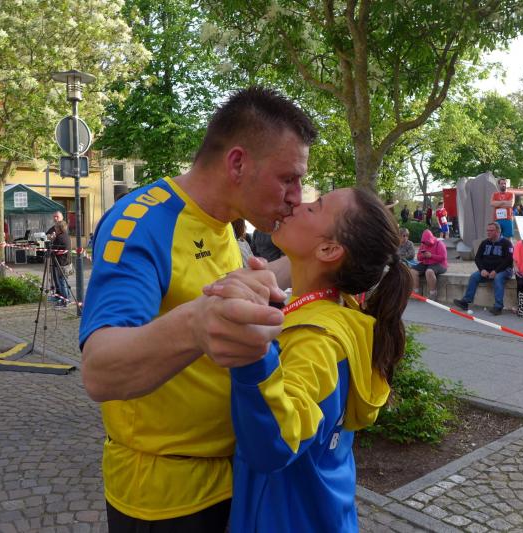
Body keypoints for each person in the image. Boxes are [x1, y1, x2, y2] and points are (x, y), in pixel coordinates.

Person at [79, 87, 317, 531]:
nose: (296, 197)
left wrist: (319, 261)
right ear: (238, 163)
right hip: (166, 499)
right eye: (288, 178)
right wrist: (196, 325)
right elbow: (99, 371)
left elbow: (227, 292)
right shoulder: (142, 223)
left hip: (236, 479)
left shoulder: (225, 221)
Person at [211, 187, 412, 532]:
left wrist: (253, 352)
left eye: (314, 207)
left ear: (329, 250)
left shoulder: (315, 341)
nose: (296, 203)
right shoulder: (338, 313)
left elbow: (273, 444)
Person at [453, 222, 514, 315]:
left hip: (504, 270)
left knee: (498, 278)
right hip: (487, 270)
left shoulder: (506, 243)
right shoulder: (484, 243)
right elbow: (477, 258)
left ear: (498, 231)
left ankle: (498, 307)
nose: (488, 232)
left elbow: (508, 260)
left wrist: (496, 271)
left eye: (491, 230)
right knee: (474, 277)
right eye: (487, 230)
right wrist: (482, 270)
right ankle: (466, 301)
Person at [411, 229, 447, 301]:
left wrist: (431, 256)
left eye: (427, 242)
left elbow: (443, 257)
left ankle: (433, 294)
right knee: (412, 271)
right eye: (425, 242)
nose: (426, 244)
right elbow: (418, 258)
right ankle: (416, 292)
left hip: (440, 264)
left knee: (429, 272)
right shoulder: (423, 244)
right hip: (426, 263)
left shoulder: (439, 243)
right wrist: (423, 256)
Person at [50, 220, 72, 307]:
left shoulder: (59, 237)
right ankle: (68, 298)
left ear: (59, 228)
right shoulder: (66, 235)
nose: (55, 229)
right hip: (66, 261)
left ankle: (65, 300)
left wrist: (53, 239)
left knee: (62, 282)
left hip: (61, 262)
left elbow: (53, 249)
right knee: (65, 281)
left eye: (56, 227)